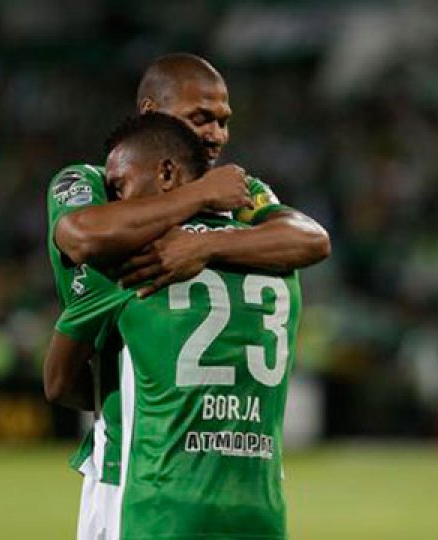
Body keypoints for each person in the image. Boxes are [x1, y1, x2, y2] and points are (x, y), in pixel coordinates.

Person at [43, 54, 329, 539]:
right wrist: (200, 196)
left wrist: (204, 245)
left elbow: (313, 239)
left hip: (155, 482)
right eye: (201, 118)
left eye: (223, 121)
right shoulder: (98, 180)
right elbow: (82, 235)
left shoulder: (236, 196)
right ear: (152, 112)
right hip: (145, 468)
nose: (216, 134)